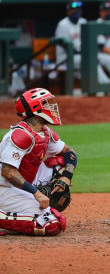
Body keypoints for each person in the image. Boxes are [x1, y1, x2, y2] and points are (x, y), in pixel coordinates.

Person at [0, 88, 78, 236]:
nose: (50, 107)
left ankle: (29, 205)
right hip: (4, 188)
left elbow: (70, 153)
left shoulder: (45, 132)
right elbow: (8, 172)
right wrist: (36, 193)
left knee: (59, 163)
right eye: (46, 104)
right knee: (52, 225)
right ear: (36, 109)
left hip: (21, 184)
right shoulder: (20, 135)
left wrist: (66, 177)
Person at [55, 0, 110, 83]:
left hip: (82, 55)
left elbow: (93, 39)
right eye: (74, 9)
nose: (77, 11)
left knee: (107, 59)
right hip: (66, 58)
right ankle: (105, 84)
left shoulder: (83, 22)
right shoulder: (63, 24)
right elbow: (67, 47)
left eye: (79, 9)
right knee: (90, 60)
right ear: (69, 11)